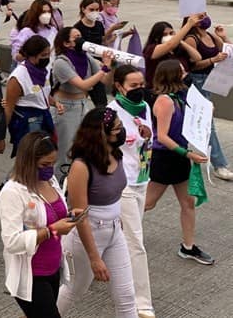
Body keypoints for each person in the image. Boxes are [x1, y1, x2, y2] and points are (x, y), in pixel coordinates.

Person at [56, 107, 138, 317]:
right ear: (100, 133)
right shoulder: (81, 167)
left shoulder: (116, 153)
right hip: (88, 235)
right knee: (74, 290)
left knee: (126, 296)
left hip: (114, 231)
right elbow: (80, 215)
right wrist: (94, 258)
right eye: (117, 129)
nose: (121, 132)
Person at [0, 132, 79, 318]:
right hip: (32, 275)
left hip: (53, 268)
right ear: (28, 162)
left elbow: (53, 213)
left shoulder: (49, 181)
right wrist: (52, 231)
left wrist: (69, 216)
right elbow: (12, 242)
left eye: (52, 163)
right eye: (45, 165)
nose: (50, 169)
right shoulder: (13, 192)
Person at [144, 59, 214, 266]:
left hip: (180, 156)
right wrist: (188, 154)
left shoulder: (181, 96)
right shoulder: (165, 101)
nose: (185, 73)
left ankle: (188, 246)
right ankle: (117, 231)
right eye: (181, 71)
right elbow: (163, 136)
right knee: (148, 202)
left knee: (188, 202)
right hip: (165, 157)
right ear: (173, 75)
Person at [109, 65, 155, 318]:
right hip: (122, 182)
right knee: (137, 242)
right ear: (119, 86)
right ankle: (142, 301)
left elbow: (148, 140)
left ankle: (103, 261)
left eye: (141, 85)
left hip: (143, 178)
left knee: (125, 235)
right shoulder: (110, 113)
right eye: (133, 86)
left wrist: (147, 135)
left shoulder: (145, 107)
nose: (139, 90)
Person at [51, 27, 113, 180]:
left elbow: (104, 80)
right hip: (66, 107)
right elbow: (83, 85)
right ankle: (58, 184)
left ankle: (74, 181)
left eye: (81, 36)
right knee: (64, 151)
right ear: (66, 43)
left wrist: (109, 66)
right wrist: (104, 68)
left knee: (83, 146)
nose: (81, 40)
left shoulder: (85, 57)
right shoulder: (61, 62)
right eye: (76, 37)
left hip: (82, 105)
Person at [183, 14, 233, 180]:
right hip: (197, 82)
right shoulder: (191, 39)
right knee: (207, 123)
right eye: (201, 16)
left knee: (197, 121)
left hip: (209, 81)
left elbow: (228, 49)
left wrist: (223, 36)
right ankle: (219, 165)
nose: (205, 18)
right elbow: (194, 64)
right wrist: (213, 60)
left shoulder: (210, 35)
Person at [142, 17, 202, 89]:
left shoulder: (178, 49)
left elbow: (197, 57)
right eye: (164, 34)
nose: (169, 36)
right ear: (156, 37)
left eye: (171, 33)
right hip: (159, 89)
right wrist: (189, 24)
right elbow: (169, 45)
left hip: (179, 88)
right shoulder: (151, 49)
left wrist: (180, 41)